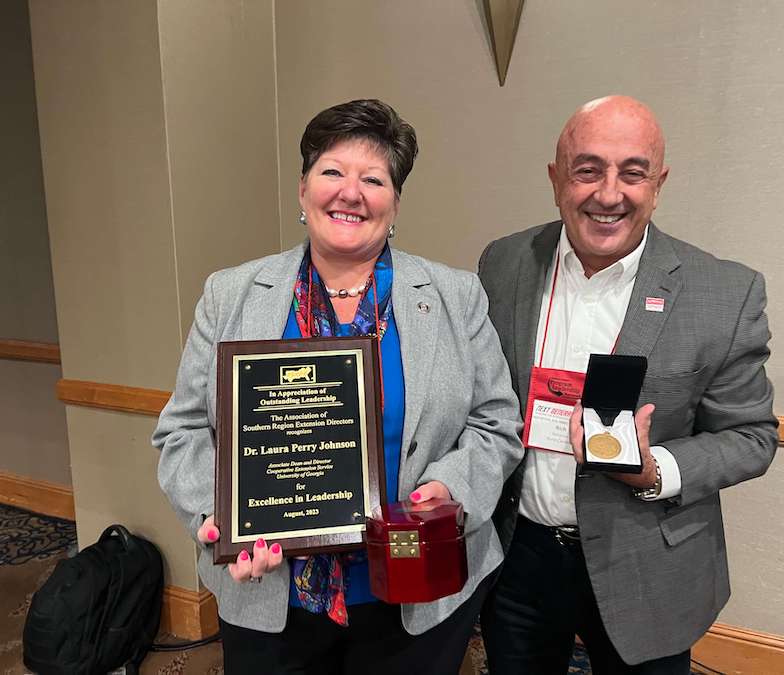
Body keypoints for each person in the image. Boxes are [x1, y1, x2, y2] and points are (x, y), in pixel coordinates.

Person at [152, 99, 523, 674]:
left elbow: (496, 423)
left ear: (394, 203)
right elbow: (182, 431)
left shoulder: (456, 295)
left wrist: (449, 490)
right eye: (332, 172)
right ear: (303, 190)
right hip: (269, 592)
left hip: (413, 591)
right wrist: (219, 515)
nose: (351, 192)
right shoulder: (230, 294)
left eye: (373, 179)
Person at [478, 95, 778, 674]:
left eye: (632, 173)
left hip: (647, 560)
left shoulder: (724, 293)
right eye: (587, 169)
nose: (609, 193)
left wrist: (654, 469)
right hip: (520, 557)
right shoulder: (503, 263)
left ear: (658, 183)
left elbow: (752, 436)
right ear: (556, 179)